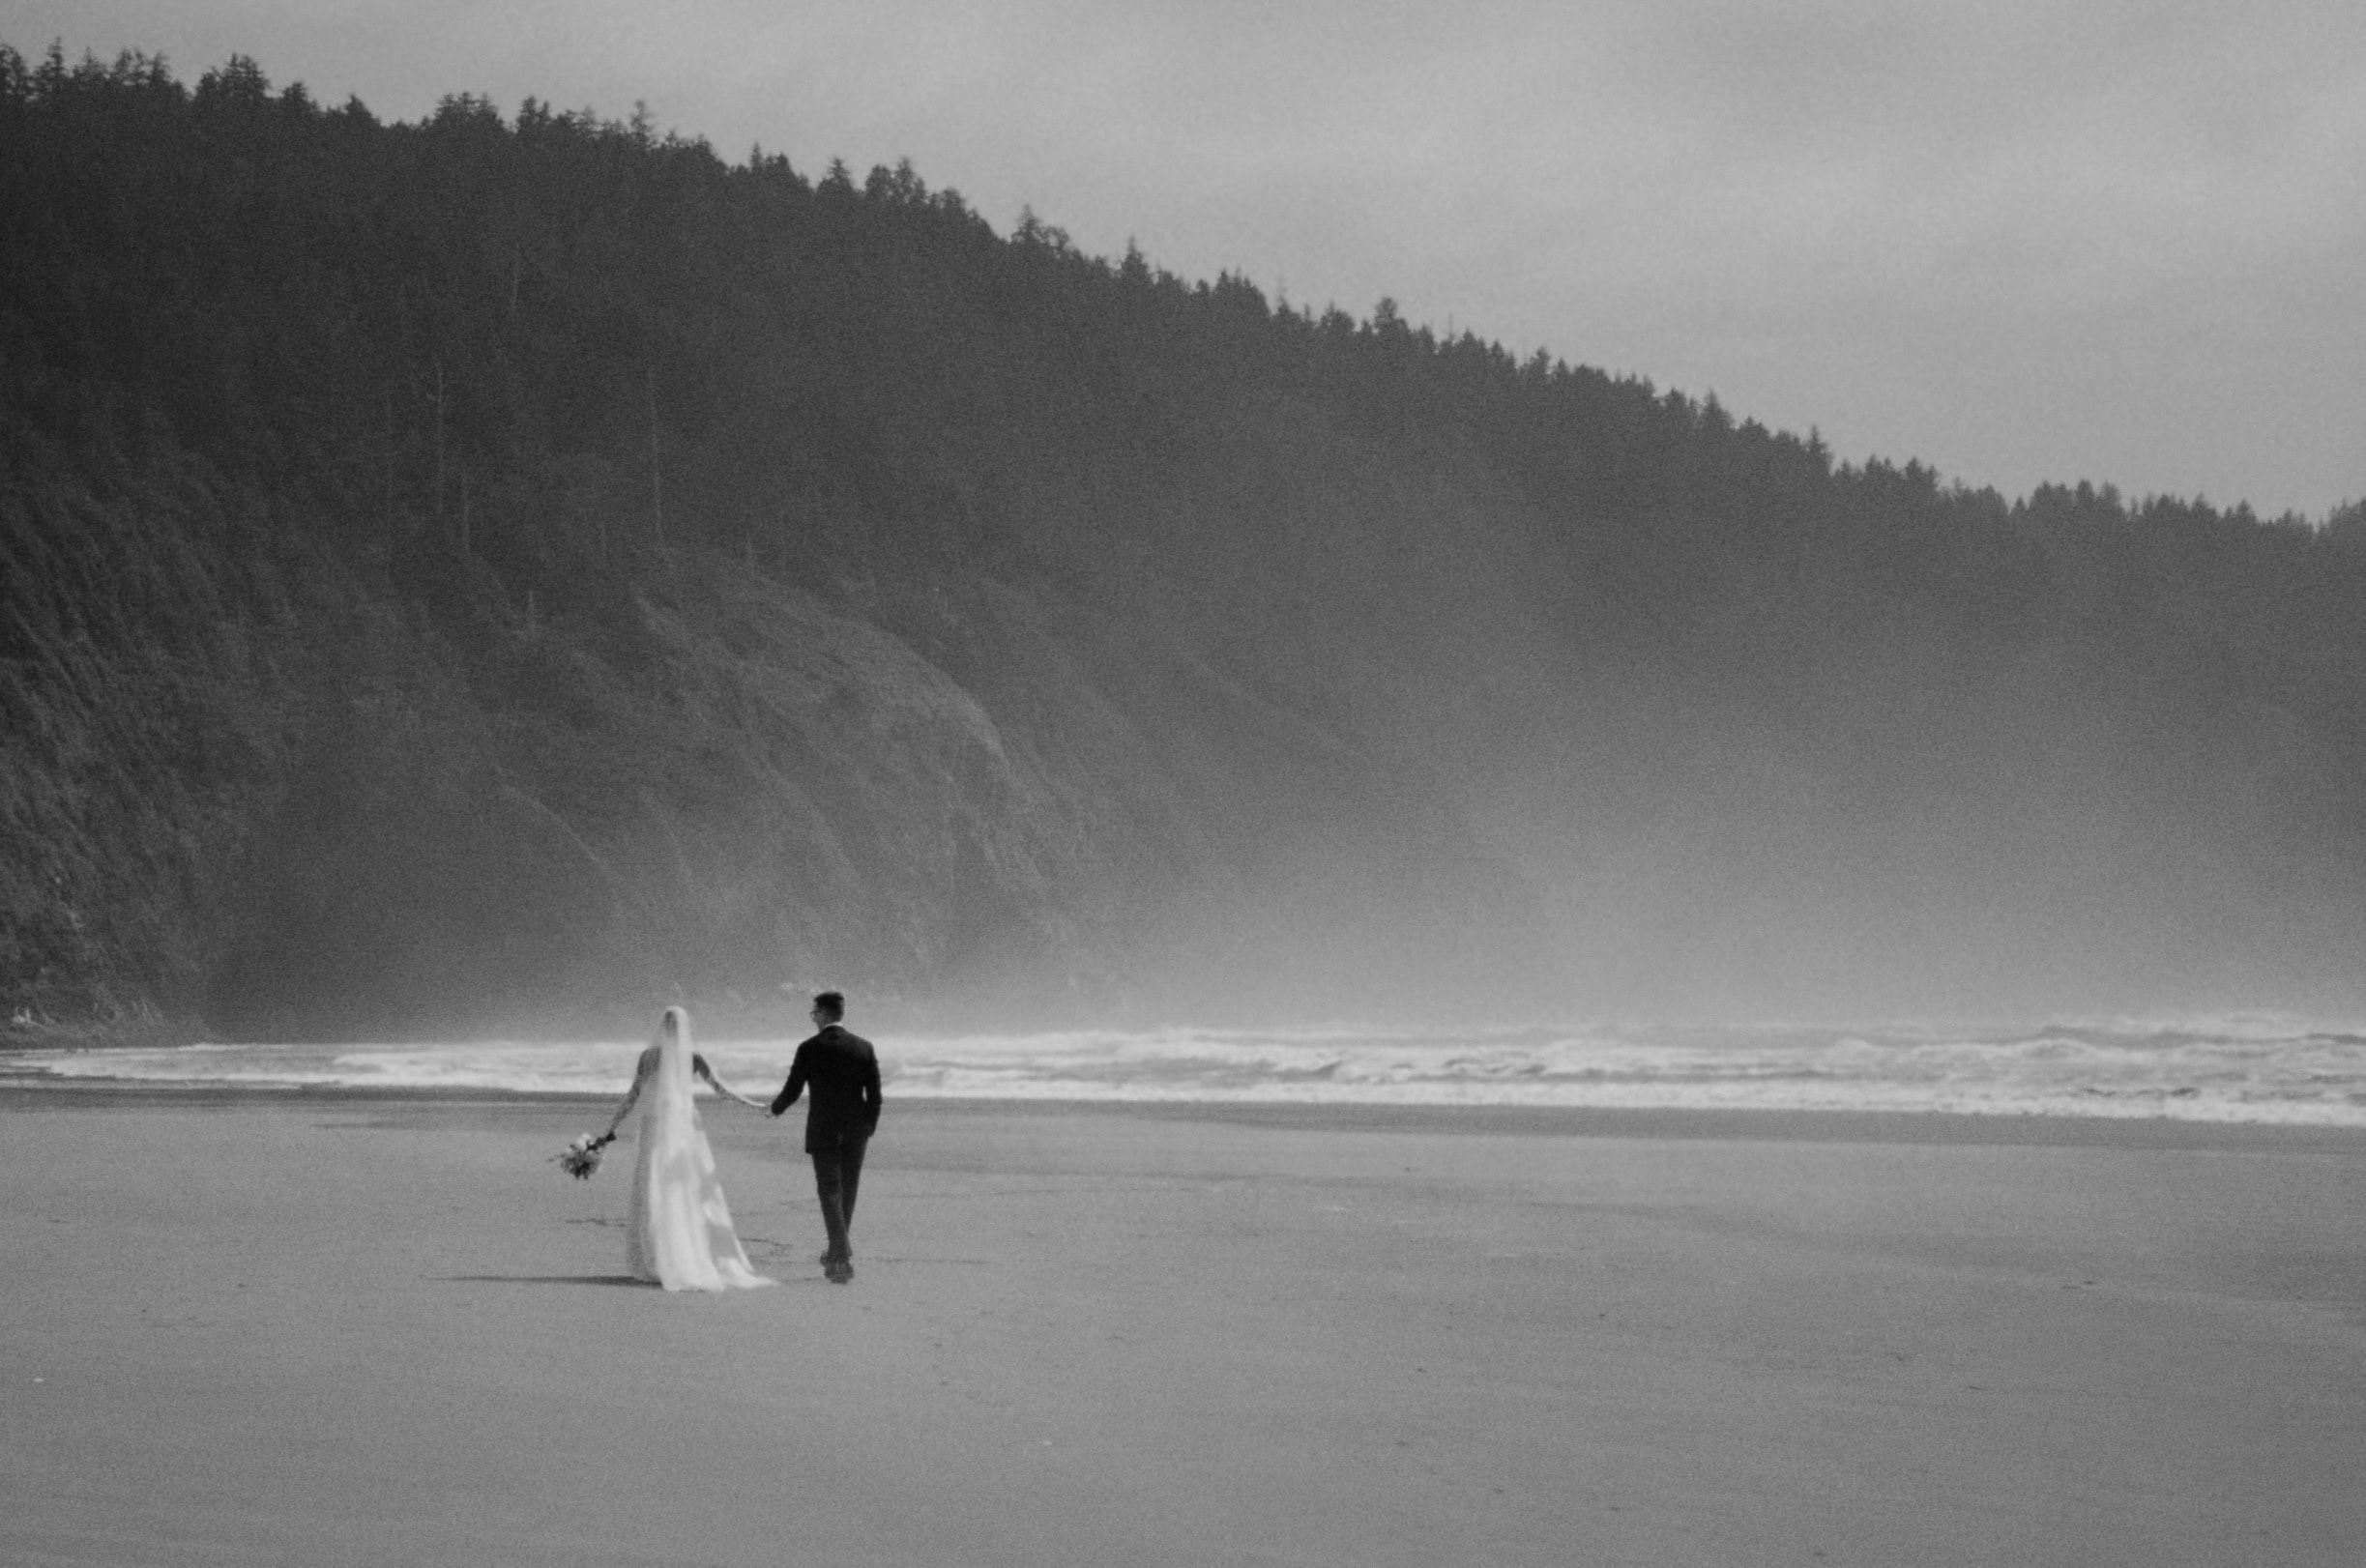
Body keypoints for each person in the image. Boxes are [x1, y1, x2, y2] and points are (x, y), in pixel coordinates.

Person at [599, 1006, 774, 1292]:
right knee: (688, 1190)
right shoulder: (693, 1058)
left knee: (654, 1189)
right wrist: (757, 1107)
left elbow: (632, 1096)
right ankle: (686, 1253)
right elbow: (721, 1089)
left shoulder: (648, 1057)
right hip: (683, 1128)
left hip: (656, 1126)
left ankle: (656, 1256)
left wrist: (610, 1128)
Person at [770, 990, 882, 1283]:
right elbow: (875, 1096)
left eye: (814, 1013)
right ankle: (836, 1252)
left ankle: (841, 1253)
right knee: (848, 1191)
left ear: (824, 1014)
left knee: (829, 1192)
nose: (813, 1018)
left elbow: (793, 1089)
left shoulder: (809, 1048)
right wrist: (869, 1127)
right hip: (856, 1130)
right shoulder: (864, 1047)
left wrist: (776, 1109)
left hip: (823, 1129)